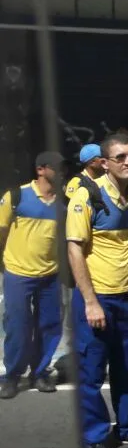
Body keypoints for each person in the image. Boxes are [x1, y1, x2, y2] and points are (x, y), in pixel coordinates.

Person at [66, 133, 128, 448]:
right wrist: (91, 301)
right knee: (91, 373)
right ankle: (94, 436)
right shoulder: (87, 195)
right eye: (120, 157)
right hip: (96, 300)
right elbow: (74, 249)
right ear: (105, 163)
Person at [0, 151, 64, 398]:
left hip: (51, 275)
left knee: (49, 325)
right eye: (55, 168)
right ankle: (12, 376)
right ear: (41, 170)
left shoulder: (63, 202)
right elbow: (2, 231)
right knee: (17, 326)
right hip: (18, 273)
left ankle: (40, 373)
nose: (61, 173)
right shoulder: (16, 197)